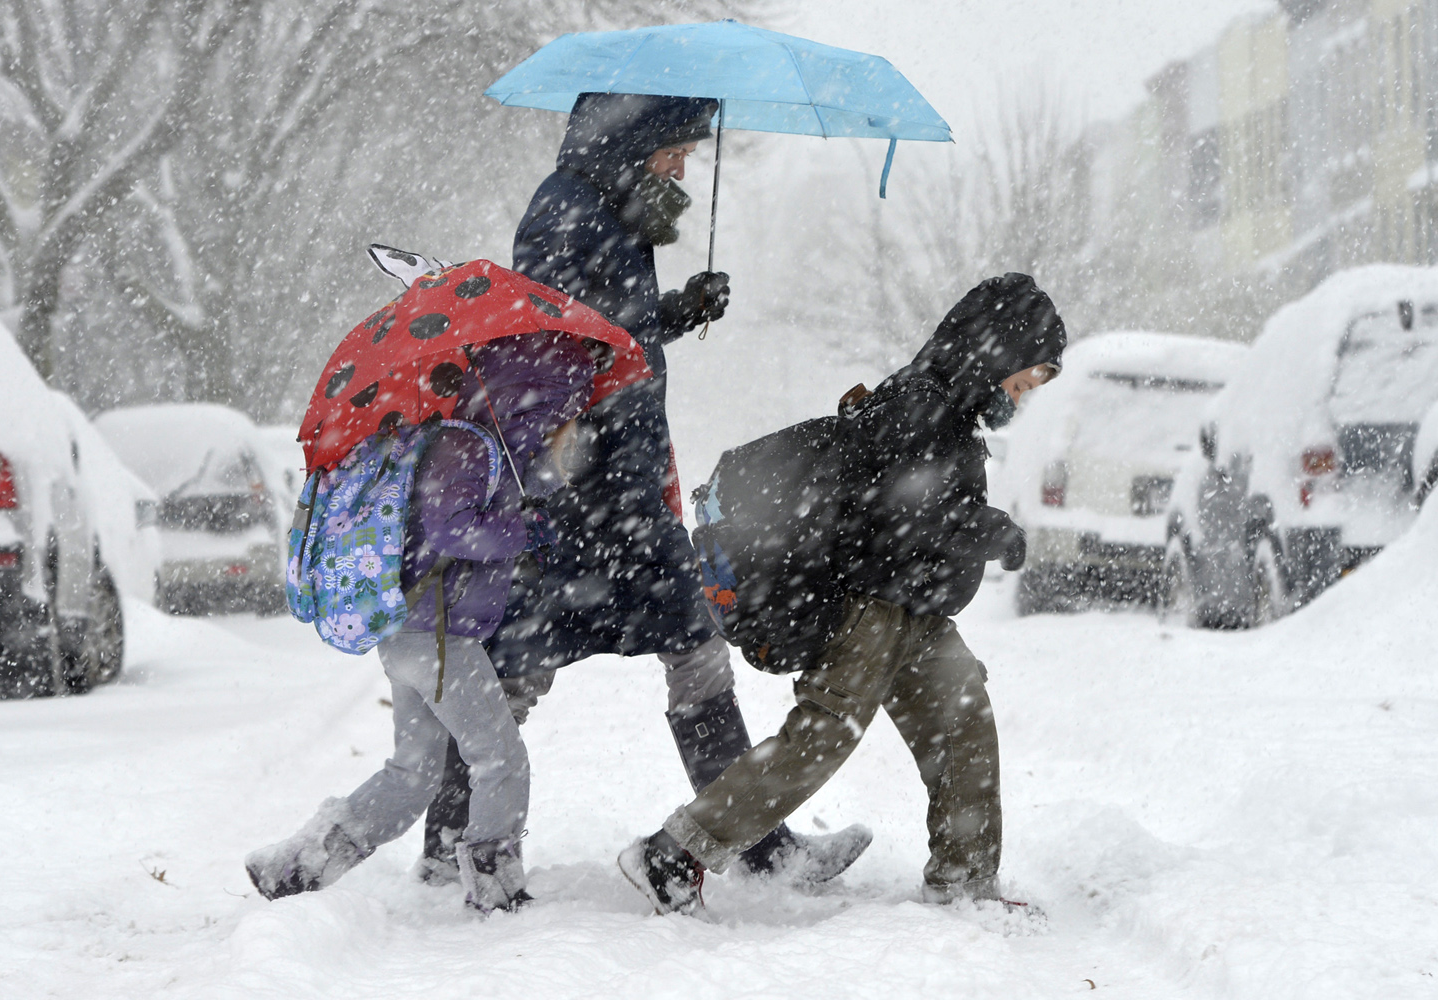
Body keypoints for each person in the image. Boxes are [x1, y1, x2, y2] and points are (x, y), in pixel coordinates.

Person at [419, 91, 870, 884]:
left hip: (615, 486)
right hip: (579, 496)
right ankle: (450, 847)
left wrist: (670, 311)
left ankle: (755, 846)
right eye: (676, 149)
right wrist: (639, 329)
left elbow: (606, 327)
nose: (685, 165)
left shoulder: (608, 205)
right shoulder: (568, 212)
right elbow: (554, 341)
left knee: (687, 653)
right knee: (522, 672)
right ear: (637, 143)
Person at [617, 273, 1066, 915]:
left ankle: (964, 884)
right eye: (1020, 382)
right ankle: (673, 851)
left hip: (919, 612)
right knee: (819, 740)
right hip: (871, 610)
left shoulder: (953, 413)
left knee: (964, 723)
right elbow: (900, 512)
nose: (1019, 399)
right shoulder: (916, 402)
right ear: (995, 354)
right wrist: (987, 529)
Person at [245, 331, 598, 914]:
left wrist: (535, 502)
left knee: (412, 775)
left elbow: (474, 510)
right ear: (531, 400)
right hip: (439, 637)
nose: (568, 420)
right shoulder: (463, 446)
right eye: (562, 406)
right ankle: (495, 885)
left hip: (416, 634)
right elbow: (450, 529)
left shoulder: (486, 446)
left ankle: (296, 865)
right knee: (499, 760)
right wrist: (523, 534)